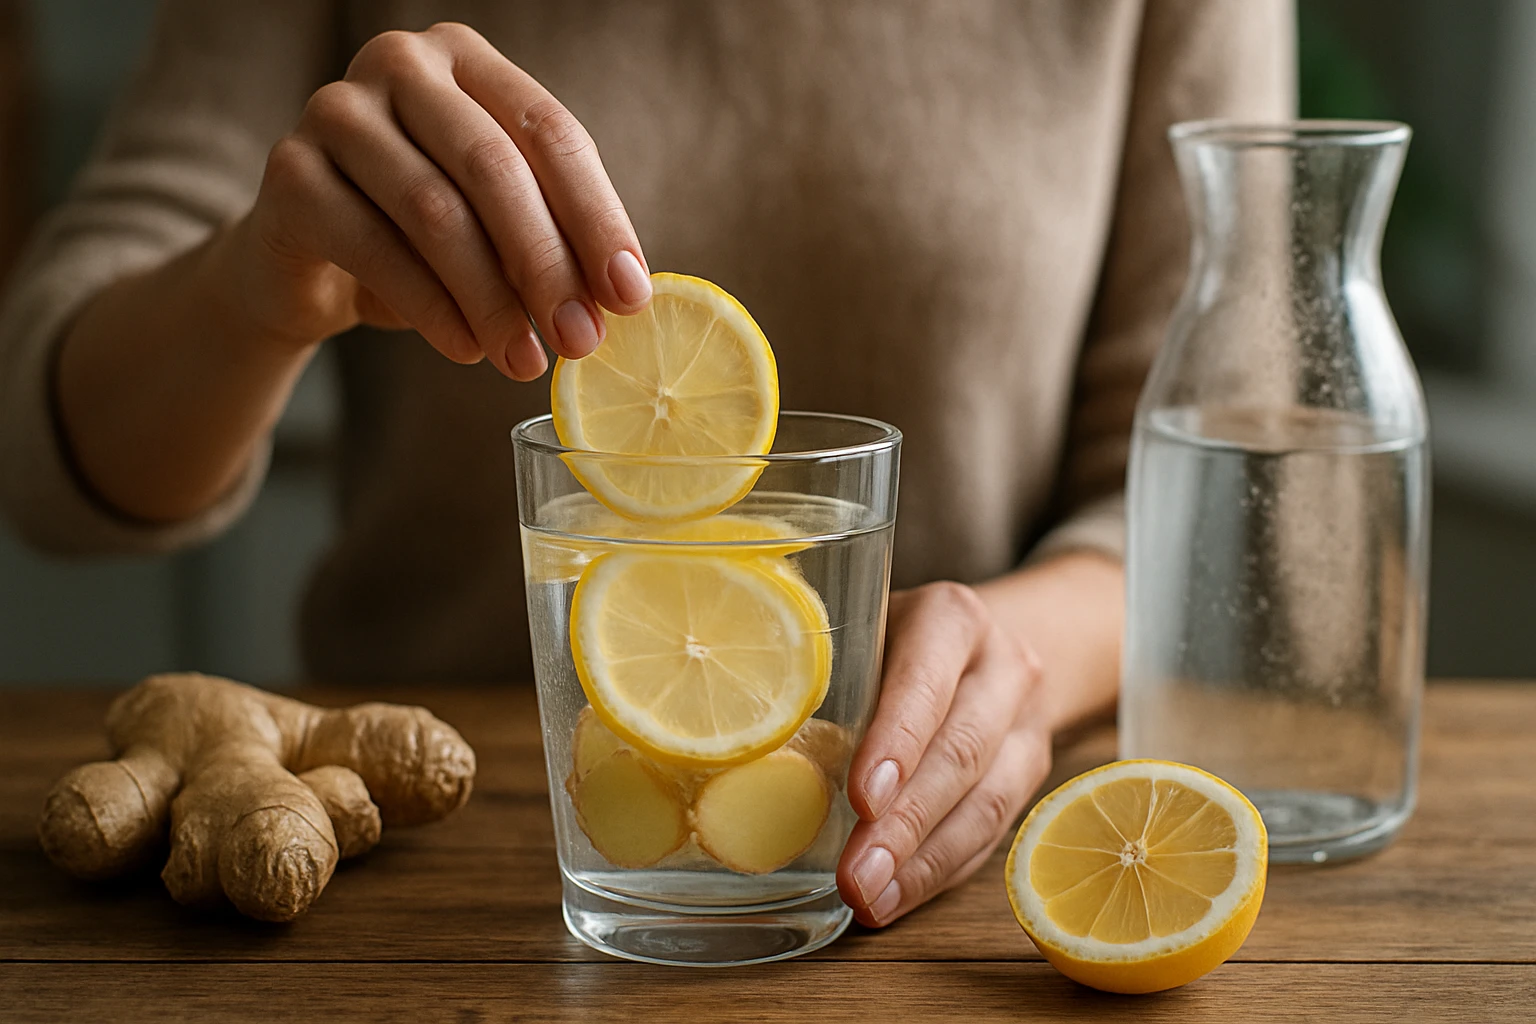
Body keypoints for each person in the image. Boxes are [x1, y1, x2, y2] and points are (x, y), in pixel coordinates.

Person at [0, 1, 1294, 928]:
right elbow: (46, 448)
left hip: (893, 848)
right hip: (406, 857)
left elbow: (1218, 470)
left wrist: (1022, 652)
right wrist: (254, 287)